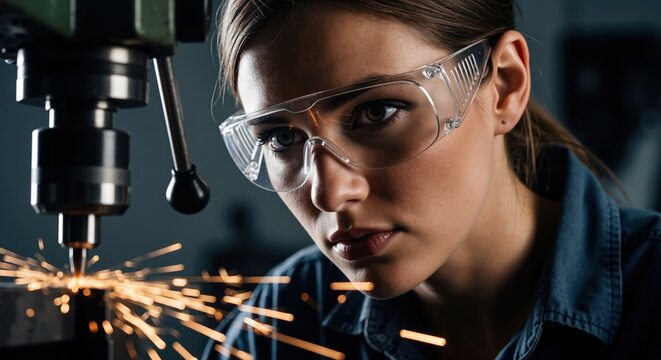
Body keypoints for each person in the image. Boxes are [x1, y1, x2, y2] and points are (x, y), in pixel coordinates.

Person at [203, 1, 661, 359]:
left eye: (377, 113)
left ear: (504, 85)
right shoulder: (281, 328)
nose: (330, 193)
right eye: (282, 138)